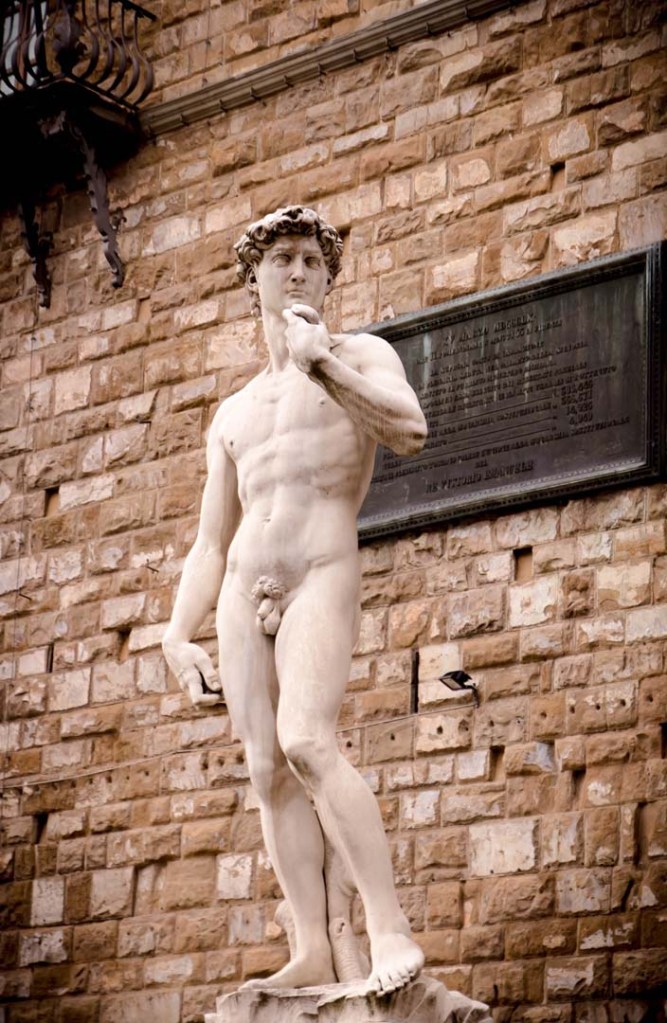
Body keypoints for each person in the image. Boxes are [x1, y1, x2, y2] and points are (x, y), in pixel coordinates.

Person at [162, 205, 428, 996]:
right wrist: (177, 633)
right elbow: (211, 539)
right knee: (266, 767)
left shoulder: (361, 355)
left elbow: (409, 429)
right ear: (255, 283)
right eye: (281, 259)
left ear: (328, 276)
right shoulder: (234, 412)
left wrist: (323, 365)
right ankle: (311, 944)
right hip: (244, 585)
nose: (299, 271)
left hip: (319, 567)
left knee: (309, 740)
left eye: (312, 259)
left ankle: (388, 929)